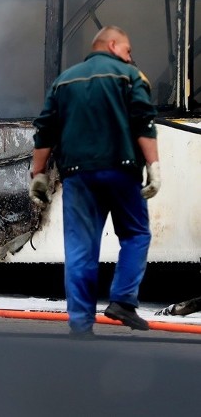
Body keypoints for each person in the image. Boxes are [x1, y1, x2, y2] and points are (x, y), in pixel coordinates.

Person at [29, 25, 160, 338]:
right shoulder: (131, 76)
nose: (130, 57)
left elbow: (45, 130)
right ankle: (123, 301)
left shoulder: (64, 81)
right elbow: (144, 122)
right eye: (128, 51)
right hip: (122, 170)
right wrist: (154, 165)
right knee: (135, 233)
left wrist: (38, 174)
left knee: (81, 249)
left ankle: (80, 326)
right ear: (112, 45)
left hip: (78, 176)